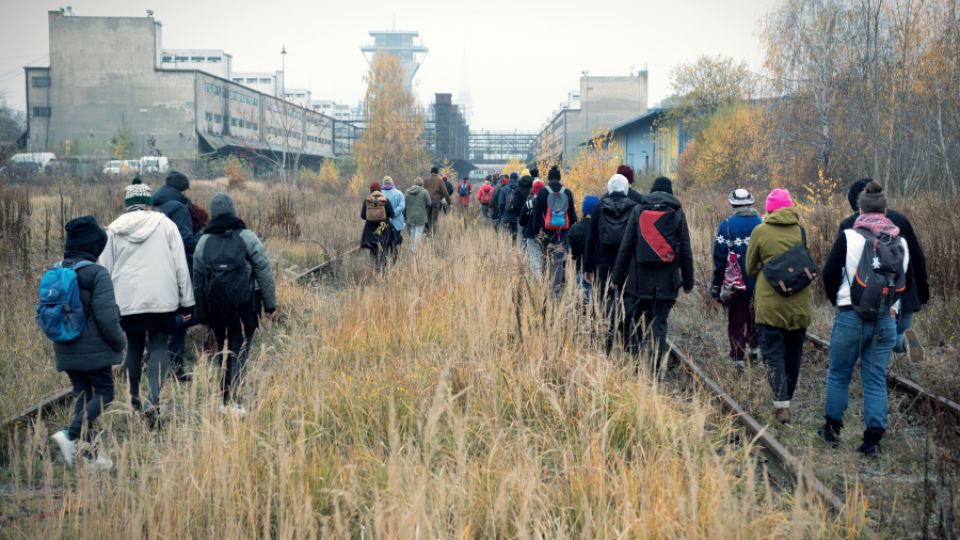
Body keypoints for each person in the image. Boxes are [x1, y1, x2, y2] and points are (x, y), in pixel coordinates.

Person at [819, 182, 909, 456]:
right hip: (884, 320)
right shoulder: (899, 240)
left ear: (860, 209)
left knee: (839, 374)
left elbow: (828, 274)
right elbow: (903, 281)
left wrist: (841, 301)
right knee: (875, 379)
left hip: (850, 316)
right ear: (885, 210)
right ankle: (872, 441)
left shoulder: (849, 236)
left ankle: (832, 431)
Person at [99, 178, 195, 424]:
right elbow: (180, 265)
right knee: (159, 346)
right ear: (149, 202)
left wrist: (107, 306)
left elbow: (104, 270)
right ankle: (154, 399)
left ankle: (134, 400)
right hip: (162, 300)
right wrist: (187, 302)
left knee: (133, 347)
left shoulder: (112, 230)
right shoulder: (166, 225)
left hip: (127, 302)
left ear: (128, 203)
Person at [48, 216, 125, 470]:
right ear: (94, 246)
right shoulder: (96, 273)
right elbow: (107, 316)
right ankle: (70, 435)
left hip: (65, 347)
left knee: (83, 396)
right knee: (105, 393)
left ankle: (88, 456)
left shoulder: (57, 271)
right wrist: (120, 343)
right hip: (93, 352)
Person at [193, 193, 277, 416]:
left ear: (213, 213)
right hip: (246, 304)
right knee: (240, 351)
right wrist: (270, 304)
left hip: (216, 306)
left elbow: (198, 280)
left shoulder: (203, 241)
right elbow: (264, 269)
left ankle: (223, 401)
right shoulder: (247, 237)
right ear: (233, 210)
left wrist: (201, 314)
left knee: (221, 350)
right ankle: (237, 403)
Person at [840, 178, 928, 362]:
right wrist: (922, 290)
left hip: (870, 293)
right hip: (905, 290)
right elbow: (917, 257)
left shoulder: (850, 224)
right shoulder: (900, 219)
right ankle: (904, 341)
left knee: (878, 339)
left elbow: (842, 264)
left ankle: (884, 367)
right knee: (896, 335)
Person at [610, 177, 693, 367]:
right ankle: (655, 368)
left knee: (637, 321)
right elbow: (686, 251)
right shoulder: (678, 213)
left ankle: (637, 364)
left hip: (639, 281)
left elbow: (626, 245)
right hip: (666, 282)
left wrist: (616, 277)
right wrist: (688, 282)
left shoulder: (638, 210)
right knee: (660, 323)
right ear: (670, 193)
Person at [745, 188, 812, 424]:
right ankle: (788, 399)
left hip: (771, 304)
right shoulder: (800, 231)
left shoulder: (760, 231)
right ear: (790, 207)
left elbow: (750, 268)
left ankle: (781, 404)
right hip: (799, 303)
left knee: (773, 354)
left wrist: (767, 265)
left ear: (769, 209)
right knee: (794, 353)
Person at [584, 174, 640, 353]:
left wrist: (587, 266)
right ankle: (625, 340)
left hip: (604, 262)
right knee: (626, 299)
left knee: (605, 298)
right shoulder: (635, 208)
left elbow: (591, 238)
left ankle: (607, 340)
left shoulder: (600, 208)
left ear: (609, 188)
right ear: (625, 188)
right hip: (627, 263)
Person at [709, 189, 763, 369]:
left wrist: (716, 285)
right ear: (750, 203)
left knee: (736, 321)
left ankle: (738, 358)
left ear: (733, 204)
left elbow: (719, 258)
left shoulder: (726, 226)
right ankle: (755, 350)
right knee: (756, 317)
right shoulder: (762, 223)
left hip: (736, 285)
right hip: (759, 284)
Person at [151, 171, 197, 381]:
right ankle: (175, 366)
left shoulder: (153, 205)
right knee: (184, 315)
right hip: (175, 269)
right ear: (183, 189)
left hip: (152, 268)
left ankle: (155, 361)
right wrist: (202, 247)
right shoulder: (179, 208)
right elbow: (185, 240)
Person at [531, 166, 578, 290]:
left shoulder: (542, 192)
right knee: (558, 261)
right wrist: (567, 230)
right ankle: (556, 290)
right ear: (559, 178)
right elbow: (573, 216)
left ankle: (544, 286)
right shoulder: (567, 192)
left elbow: (536, 215)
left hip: (545, 233)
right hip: (562, 233)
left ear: (549, 178)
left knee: (545, 258)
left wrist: (536, 232)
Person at [568, 195, 599, 303]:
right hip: (598, 270)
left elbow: (573, 253)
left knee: (583, 302)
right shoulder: (601, 227)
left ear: (583, 210)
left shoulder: (575, 229)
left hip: (581, 269)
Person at [360, 181, 396, 272]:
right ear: (380, 190)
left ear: (370, 191)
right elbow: (392, 214)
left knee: (373, 251)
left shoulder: (367, 200)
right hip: (383, 228)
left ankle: (374, 270)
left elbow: (363, 216)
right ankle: (384, 271)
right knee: (384, 250)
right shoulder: (385, 200)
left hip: (370, 230)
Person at [519, 174, 545, 276]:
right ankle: (546, 278)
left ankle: (537, 281)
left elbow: (521, 221)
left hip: (531, 234)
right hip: (545, 235)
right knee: (545, 257)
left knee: (534, 257)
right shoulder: (548, 203)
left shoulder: (529, 203)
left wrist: (528, 225)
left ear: (533, 190)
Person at [500, 172, 530, 243]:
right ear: (517, 179)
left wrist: (502, 213)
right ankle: (515, 248)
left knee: (507, 234)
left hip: (506, 215)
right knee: (516, 234)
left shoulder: (504, 189)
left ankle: (507, 250)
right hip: (517, 216)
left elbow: (501, 202)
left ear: (510, 178)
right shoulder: (519, 188)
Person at [404, 177, 432, 252]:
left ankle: (413, 249)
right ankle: (416, 250)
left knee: (412, 232)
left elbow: (405, 203)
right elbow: (429, 203)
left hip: (410, 215)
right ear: (421, 184)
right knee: (418, 232)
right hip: (421, 215)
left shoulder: (407, 191)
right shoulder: (424, 192)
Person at [380, 176, 405, 259]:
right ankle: (393, 257)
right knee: (395, 239)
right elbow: (402, 206)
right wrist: (393, 213)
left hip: (383, 223)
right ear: (392, 182)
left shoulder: (379, 194)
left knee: (384, 240)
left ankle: (385, 256)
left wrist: (386, 214)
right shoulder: (399, 193)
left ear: (383, 183)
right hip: (397, 223)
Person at [423, 167, 450, 235]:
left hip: (427, 202)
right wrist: (449, 202)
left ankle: (427, 233)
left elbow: (422, 191)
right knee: (434, 219)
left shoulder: (426, 180)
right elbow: (445, 193)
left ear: (431, 172)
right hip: (436, 201)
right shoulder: (440, 180)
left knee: (428, 218)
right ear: (437, 172)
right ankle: (433, 235)